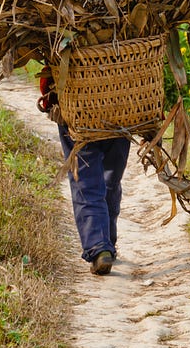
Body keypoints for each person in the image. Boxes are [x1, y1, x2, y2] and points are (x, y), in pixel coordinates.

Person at [38, 71, 130, 276]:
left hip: (80, 107)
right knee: (111, 179)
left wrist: (49, 98)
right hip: (124, 104)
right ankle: (108, 241)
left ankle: (99, 246)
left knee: (86, 181)